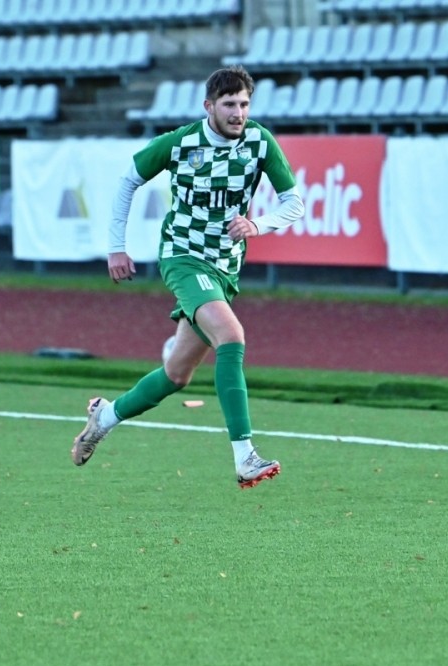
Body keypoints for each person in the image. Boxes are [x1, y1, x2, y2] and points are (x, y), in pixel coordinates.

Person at [71, 65, 305, 489]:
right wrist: (116, 247)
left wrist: (258, 224)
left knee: (176, 375)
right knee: (231, 336)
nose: (238, 113)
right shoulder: (181, 142)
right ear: (208, 106)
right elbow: (128, 180)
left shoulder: (259, 141)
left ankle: (103, 418)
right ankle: (245, 456)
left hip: (225, 267)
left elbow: (294, 203)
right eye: (229, 104)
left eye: (244, 104)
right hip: (183, 257)